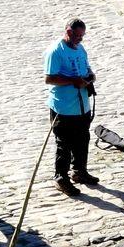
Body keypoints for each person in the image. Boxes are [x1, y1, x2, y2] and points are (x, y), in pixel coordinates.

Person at [45, 18, 98, 195]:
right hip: (64, 108)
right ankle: (61, 178)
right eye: (77, 35)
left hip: (82, 106)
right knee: (64, 145)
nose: (80, 39)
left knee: (83, 140)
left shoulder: (80, 48)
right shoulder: (56, 52)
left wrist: (90, 75)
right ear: (68, 32)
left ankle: (79, 171)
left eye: (82, 35)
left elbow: (86, 67)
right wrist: (73, 81)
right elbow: (49, 78)